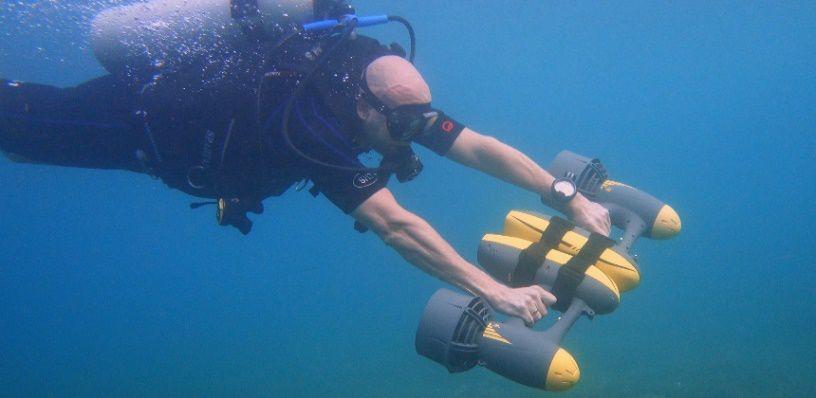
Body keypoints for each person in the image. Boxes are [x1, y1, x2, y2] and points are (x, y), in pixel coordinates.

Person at [0, 18, 611, 326]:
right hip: (139, 128)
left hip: (185, 138)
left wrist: (564, 197)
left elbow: (476, 146)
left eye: (415, 125)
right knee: (24, 128)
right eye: (398, 128)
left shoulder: (384, 85)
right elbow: (396, 227)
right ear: (366, 106)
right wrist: (496, 290)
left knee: (22, 141)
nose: (406, 138)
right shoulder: (314, 128)